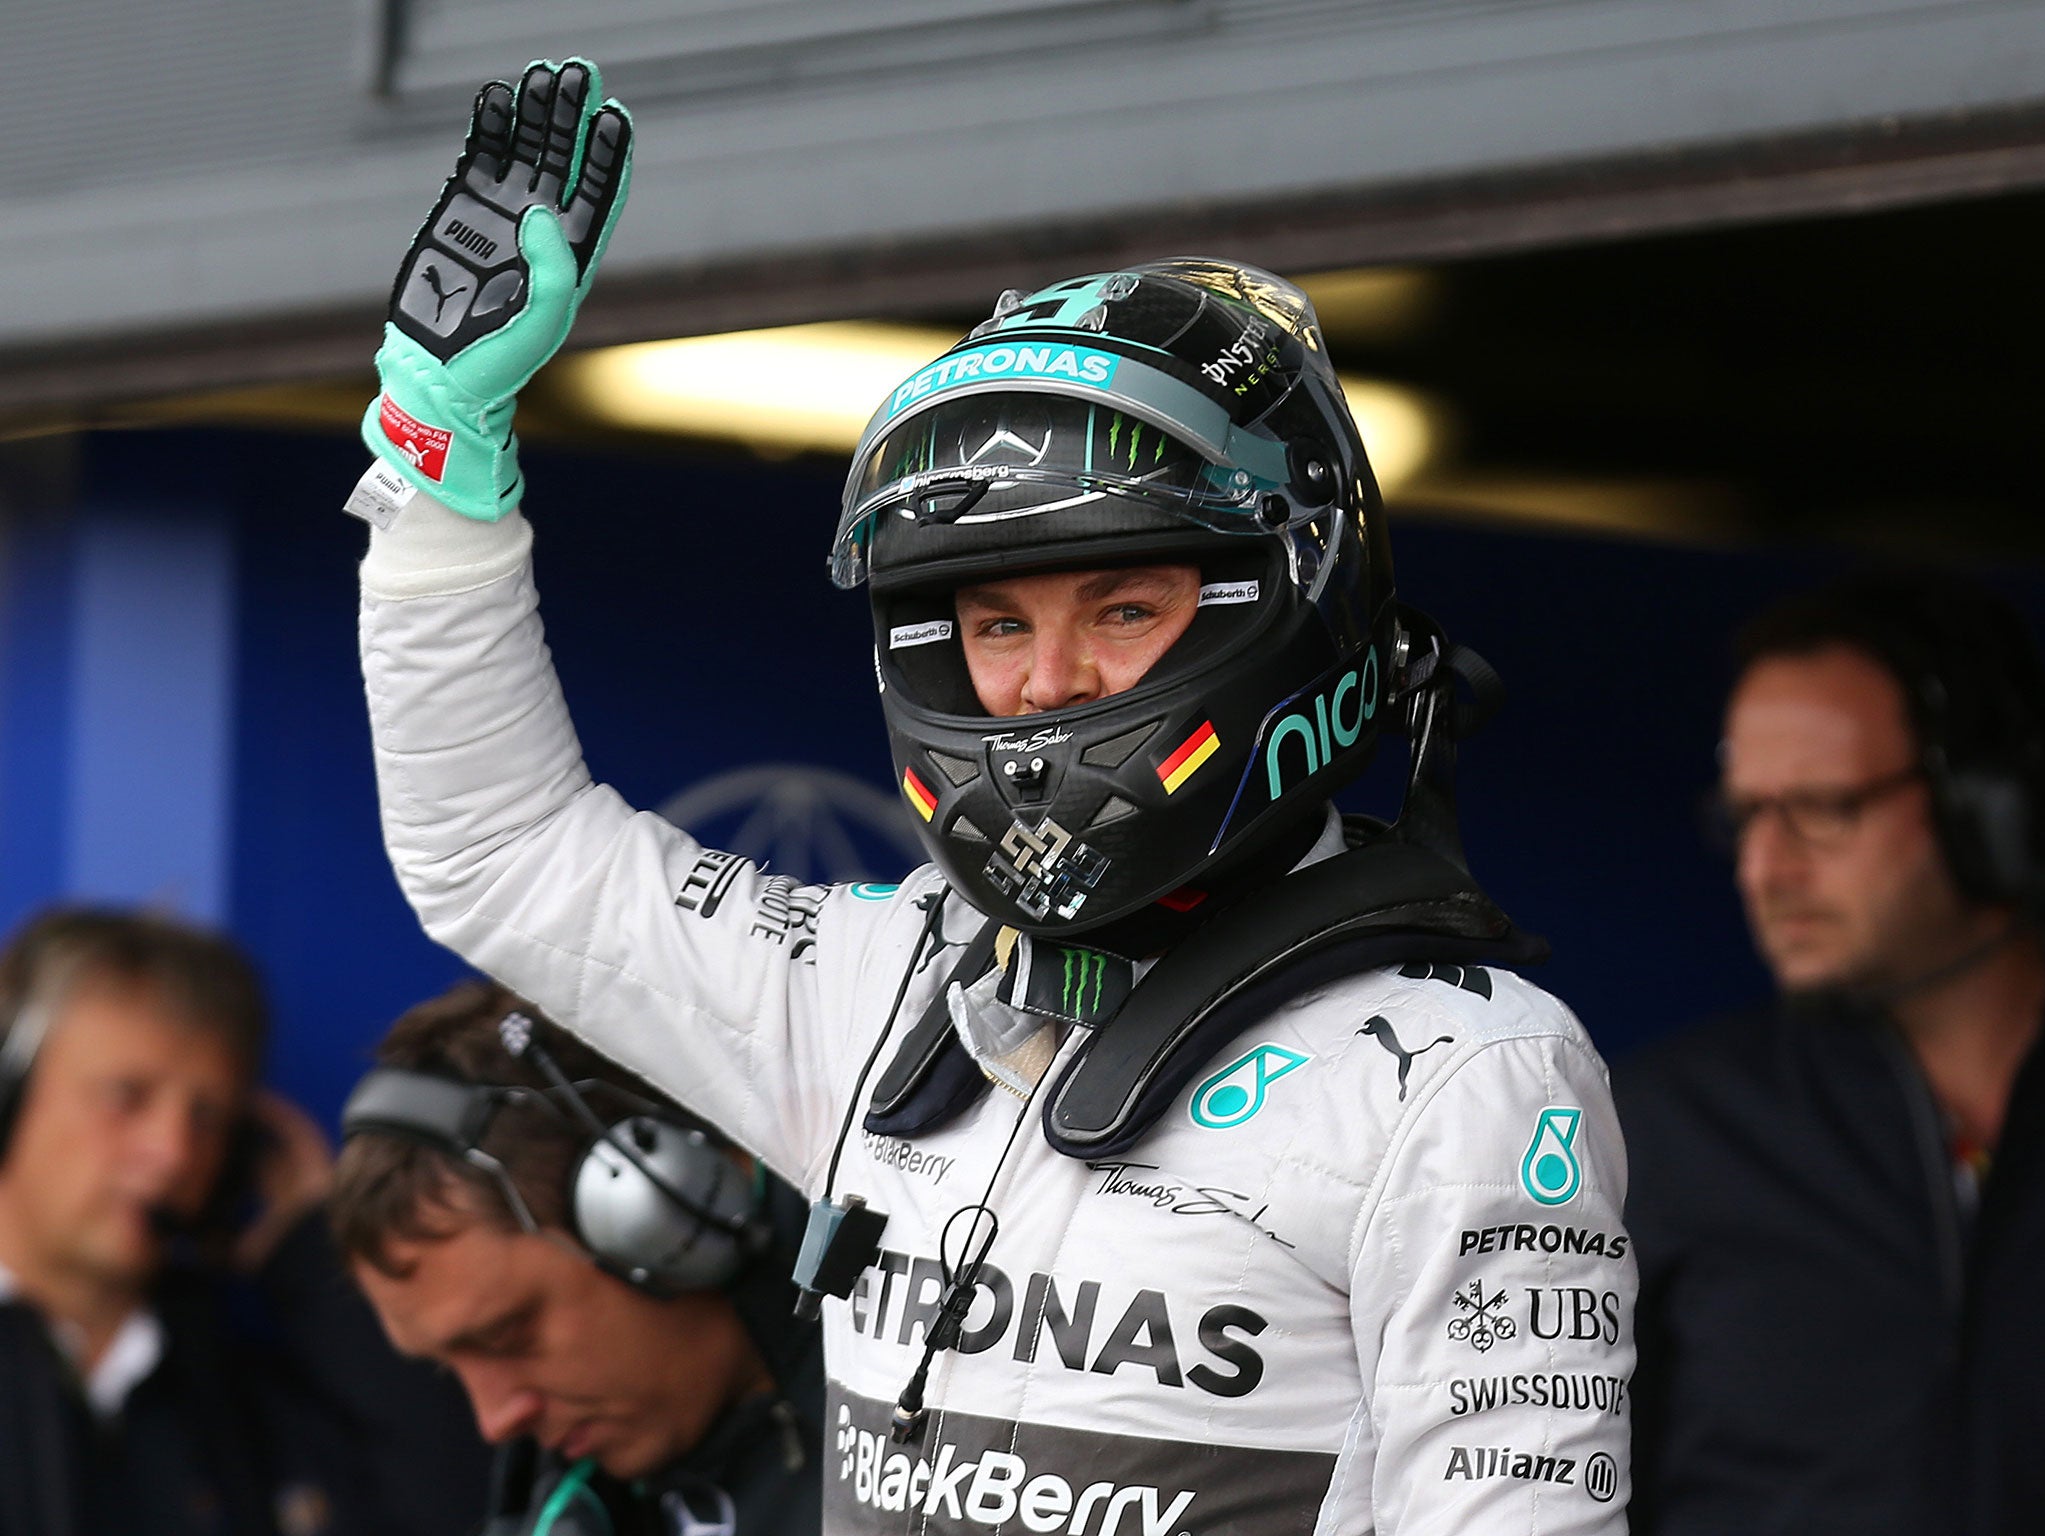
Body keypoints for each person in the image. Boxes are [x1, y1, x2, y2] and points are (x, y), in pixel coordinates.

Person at [348, 57, 1635, 1534]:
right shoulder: (884, 987)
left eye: (1126, 610)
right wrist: (439, 471)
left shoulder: (1458, 1076)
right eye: (998, 625)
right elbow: (499, 856)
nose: (1042, 684)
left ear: (1278, 605)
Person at [1617, 571, 2045, 1536]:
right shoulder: (1665, 1131)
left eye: (1822, 807)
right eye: (1746, 816)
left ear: (1985, 804)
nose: (1765, 869)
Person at [0, 905, 488, 1536]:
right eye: (127, 1096)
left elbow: (453, 1507)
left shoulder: (234, 1397)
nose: (175, 1152)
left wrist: (318, 1250)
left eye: (208, 1118)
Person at [331, 979, 823, 1536]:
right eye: (451, 1367)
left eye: (506, 1337)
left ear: (668, 1207)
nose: (496, 1420)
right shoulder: (567, 1508)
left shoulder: (927, 1460)